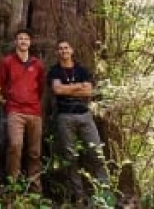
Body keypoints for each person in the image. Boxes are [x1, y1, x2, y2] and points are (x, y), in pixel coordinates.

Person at [48, 39, 110, 203]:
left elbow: (88, 91)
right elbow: (57, 89)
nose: (63, 51)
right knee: (70, 156)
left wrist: (68, 89)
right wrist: (77, 87)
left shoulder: (81, 70)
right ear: (57, 52)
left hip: (84, 115)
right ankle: (79, 196)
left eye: (66, 48)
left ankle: (104, 194)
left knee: (96, 152)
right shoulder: (55, 71)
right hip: (64, 117)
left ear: (72, 50)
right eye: (60, 49)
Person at [0, 28, 46, 191]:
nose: (23, 41)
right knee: (15, 146)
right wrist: (8, 101)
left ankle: (34, 187)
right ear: (16, 42)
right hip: (15, 111)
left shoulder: (37, 64)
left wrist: (33, 102)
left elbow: (41, 88)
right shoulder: (7, 62)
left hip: (34, 112)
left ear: (30, 43)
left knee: (34, 152)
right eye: (20, 38)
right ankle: (13, 185)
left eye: (26, 38)